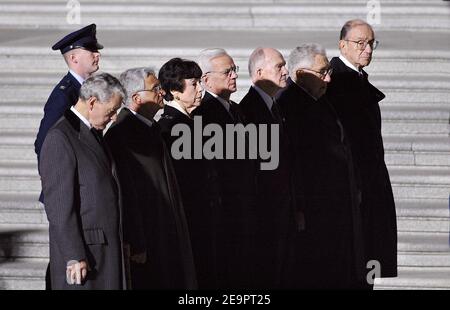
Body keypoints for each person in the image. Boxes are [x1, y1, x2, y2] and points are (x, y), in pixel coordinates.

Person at [277, 44, 365, 289]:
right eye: (322, 72)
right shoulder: (290, 106)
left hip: (334, 213)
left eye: (329, 71)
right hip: (314, 217)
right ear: (300, 74)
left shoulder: (319, 100)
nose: (328, 78)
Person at [104, 67, 197, 289]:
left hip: (166, 230)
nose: (162, 91)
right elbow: (126, 192)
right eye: (155, 88)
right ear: (136, 98)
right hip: (149, 238)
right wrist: (137, 242)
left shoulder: (149, 127)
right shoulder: (121, 134)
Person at [39, 73, 126, 290]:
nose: (114, 118)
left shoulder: (92, 133)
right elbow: (59, 208)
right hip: (85, 256)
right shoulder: (60, 138)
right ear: (93, 102)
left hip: (105, 249)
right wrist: (74, 255)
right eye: (111, 111)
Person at [326, 19, 398, 282]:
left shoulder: (356, 79)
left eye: (371, 43)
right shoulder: (336, 82)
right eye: (360, 43)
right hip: (353, 190)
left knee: (367, 264)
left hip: (367, 188)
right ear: (342, 44)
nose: (367, 49)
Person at [193, 48, 257, 288]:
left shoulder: (236, 110)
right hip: (223, 212)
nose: (234, 76)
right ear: (206, 79)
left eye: (234, 70)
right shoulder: (202, 113)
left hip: (243, 209)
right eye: (227, 71)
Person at [157, 58, 221, 289]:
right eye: (193, 84)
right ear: (175, 91)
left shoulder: (192, 121)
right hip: (190, 220)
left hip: (205, 217)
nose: (200, 88)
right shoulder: (171, 126)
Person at [239, 47, 296, 288]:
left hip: (279, 212)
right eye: (279, 66)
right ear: (260, 72)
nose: (286, 71)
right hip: (263, 216)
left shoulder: (274, 105)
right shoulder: (249, 110)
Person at [35, 23, 102, 161]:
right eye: (91, 50)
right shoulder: (64, 95)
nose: (97, 54)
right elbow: (43, 143)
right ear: (73, 58)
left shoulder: (89, 89)